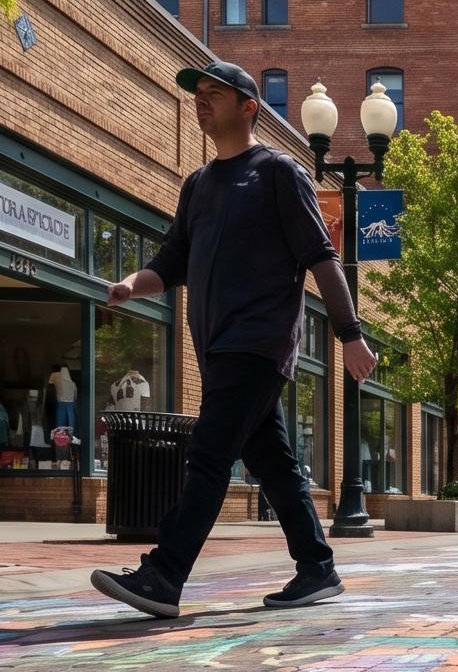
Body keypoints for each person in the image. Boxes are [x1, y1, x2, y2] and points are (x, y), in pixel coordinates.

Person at [92, 60, 376, 618]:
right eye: (198, 94)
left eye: (214, 94)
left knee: (208, 456)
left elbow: (322, 259)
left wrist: (350, 335)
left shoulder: (278, 173)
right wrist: (132, 284)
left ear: (249, 106)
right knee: (273, 464)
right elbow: (172, 262)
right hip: (217, 345)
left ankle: (165, 575)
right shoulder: (197, 185)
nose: (202, 101)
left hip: (259, 342)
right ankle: (317, 568)